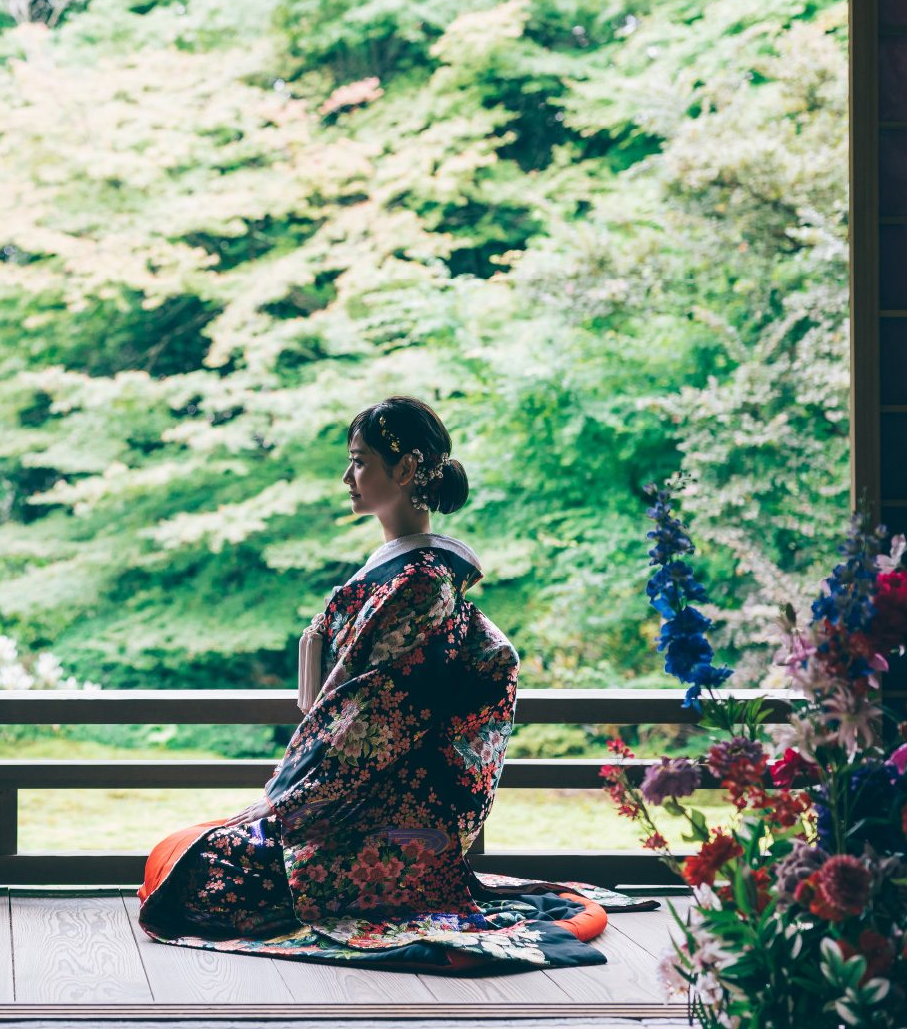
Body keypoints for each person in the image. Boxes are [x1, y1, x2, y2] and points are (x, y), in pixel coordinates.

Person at [137, 396, 627, 972]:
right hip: (359, 799)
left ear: (406, 470)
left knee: (195, 871)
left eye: (361, 461)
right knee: (187, 851)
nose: (349, 476)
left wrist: (283, 799)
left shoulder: (419, 581)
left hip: (374, 817)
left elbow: (367, 720)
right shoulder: (403, 568)